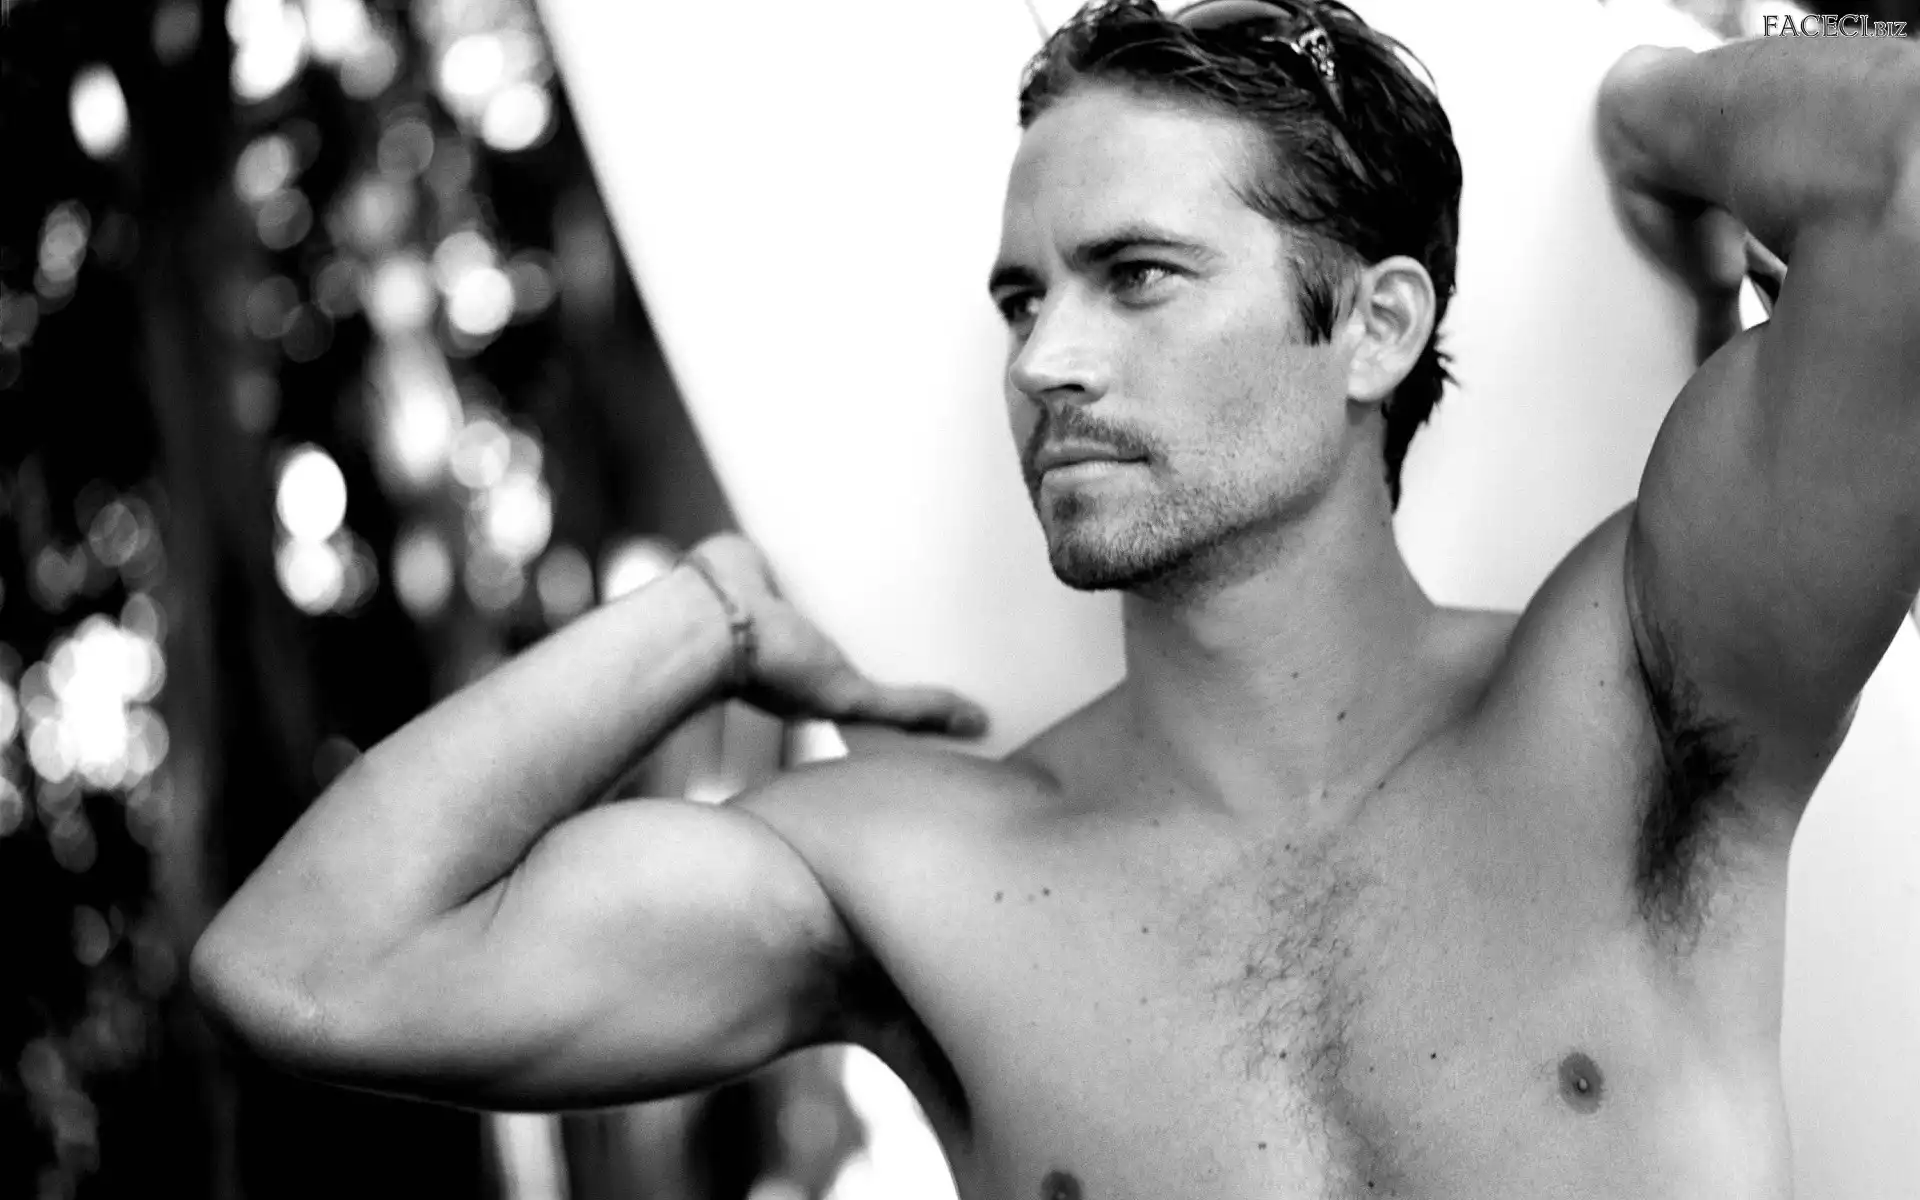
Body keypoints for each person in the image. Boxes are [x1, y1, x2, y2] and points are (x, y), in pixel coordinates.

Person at [190, 2, 1920, 1196]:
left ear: (1376, 327)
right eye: (1023, 301)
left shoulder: (1634, 701)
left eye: (1136, 277)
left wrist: (1637, 103)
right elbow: (311, 966)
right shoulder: (920, 879)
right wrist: (703, 619)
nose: (1045, 363)